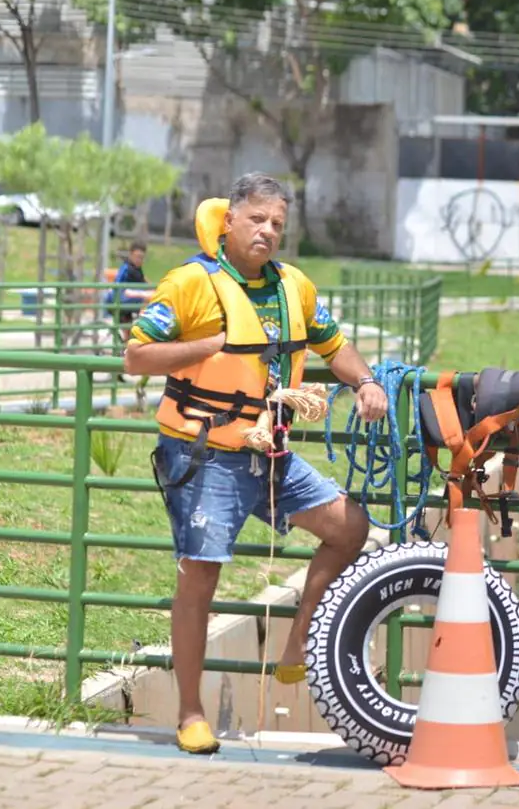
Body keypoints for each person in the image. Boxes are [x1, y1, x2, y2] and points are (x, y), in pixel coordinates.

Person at [122, 173, 388, 756]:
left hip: (271, 452)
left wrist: (366, 382)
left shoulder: (294, 286)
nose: (267, 231)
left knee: (349, 527)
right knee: (201, 578)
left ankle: (296, 647)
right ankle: (191, 714)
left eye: (277, 224)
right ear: (230, 220)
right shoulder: (190, 283)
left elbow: (333, 345)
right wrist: (205, 347)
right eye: (258, 220)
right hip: (206, 453)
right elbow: (136, 354)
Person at [105, 240, 153, 343]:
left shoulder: (137, 269)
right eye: (138, 256)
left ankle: (126, 343)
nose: (140, 260)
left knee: (129, 330)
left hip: (127, 303)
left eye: (142, 257)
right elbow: (117, 286)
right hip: (118, 301)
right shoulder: (127, 269)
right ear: (131, 255)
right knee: (145, 299)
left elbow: (145, 282)